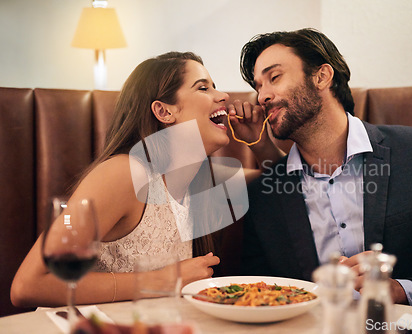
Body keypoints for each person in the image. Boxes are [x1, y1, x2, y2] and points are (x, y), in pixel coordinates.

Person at [237, 28, 412, 319]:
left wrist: (398, 290)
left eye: (274, 77)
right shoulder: (265, 192)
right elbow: (255, 296)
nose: (262, 96)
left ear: (321, 76)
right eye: (258, 86)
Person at [10, 52, 278, 307]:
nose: (223, 96)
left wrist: (260, 143)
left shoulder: (203, 180)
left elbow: (279, 182)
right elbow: (28, 285)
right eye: (203, 88)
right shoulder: (124, 173)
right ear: (164, 112)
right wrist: (162, 280)